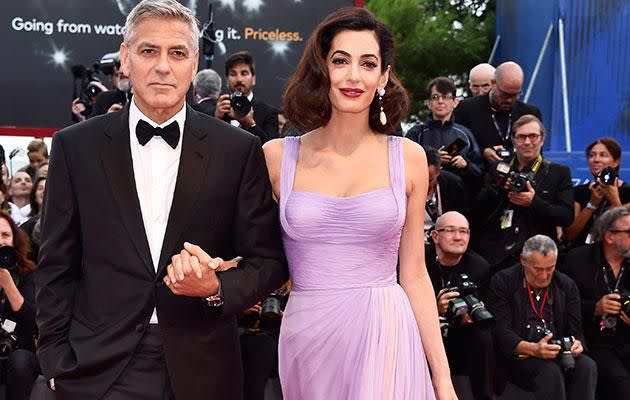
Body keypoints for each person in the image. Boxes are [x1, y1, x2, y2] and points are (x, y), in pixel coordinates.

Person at [35, 1, 288, 399]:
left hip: (202, 368)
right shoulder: (74, 146)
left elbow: (269, 261)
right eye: (148, 51)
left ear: (194, 62)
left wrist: (214, 287)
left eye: (177, 53)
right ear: (125, 57)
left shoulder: (237, 150)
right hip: (96, 370)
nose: (163, 66)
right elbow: (55, 264)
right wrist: (54, 361)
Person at [263, 7, 456, 399]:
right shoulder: (276, 157)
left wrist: (443, 380)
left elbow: (415, 275)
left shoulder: (410, 158)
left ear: (383, 76)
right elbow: (255, 254)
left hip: (386, 329)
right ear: (321, 69)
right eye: (340, 61)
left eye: (368, 63)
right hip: (308, 338)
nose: (354, 76)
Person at [487, 235, 597, 400]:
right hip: (521, 353)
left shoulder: (566, 285)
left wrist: (577, 344)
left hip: (557, 351)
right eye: (538, 269)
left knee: (587, 366)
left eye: (550, 268)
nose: (545, 275)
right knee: (549, 372)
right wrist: (534, 349)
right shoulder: (503, 281)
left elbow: (577, 330)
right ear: (523, 260)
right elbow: (501, 332)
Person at [471, 114, 574, 272]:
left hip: (539, 256)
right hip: (499, 256)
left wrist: (534, 202)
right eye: (521, 137)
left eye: (533, 136)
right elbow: (478, 210)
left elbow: (566, 216)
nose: (527, 142)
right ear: (513, 139)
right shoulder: (499, 168)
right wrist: (498, 189)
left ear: (542, 139)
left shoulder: (558, 172)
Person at [426, 212, 494, 400]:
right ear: (435, 236)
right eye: (451, 231)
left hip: (458, 337)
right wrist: (435, 309)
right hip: (424, 335)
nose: (458, 237)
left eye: (463, 232)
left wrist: (469, 318)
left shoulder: (479, 267)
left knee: (483, 336)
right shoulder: (421, 262)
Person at [564, 207, 630, 398]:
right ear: (610, 236)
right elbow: (563, 306)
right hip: (594, 341)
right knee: (622, 385)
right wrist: (595, 308)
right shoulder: (578, 260)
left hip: (626, 339)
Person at [454, 61, 542, 165]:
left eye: (515, 95)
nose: (509, 100)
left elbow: (538, 154)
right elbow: (456, 147)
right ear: (493, 83)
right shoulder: (467, 109)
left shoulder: (529, 113)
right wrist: (482, 152)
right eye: (504, 94)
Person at [406, 77, 483, 194]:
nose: (440, 101)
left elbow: (479, 172)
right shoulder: (416, 133)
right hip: (422, 197)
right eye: (435, 97)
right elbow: (404, 167)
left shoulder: (465, 134)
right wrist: (433, 160)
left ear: (455, 102)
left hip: (458, 197)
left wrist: (466, 165)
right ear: (428, 103)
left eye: (446, 97)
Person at [0, 211, 39, 400]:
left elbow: (35, 321)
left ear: (15, 241)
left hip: (18, 352)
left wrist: (8, 284)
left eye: (5, 235)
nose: (0, 241)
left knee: (21, 360)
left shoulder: (28, 273)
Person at [565, 137, 629, 246]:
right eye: (592, 155)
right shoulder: (578, 192)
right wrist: (592, 204)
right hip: (583, 253)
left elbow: (627, 229)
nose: (596, 159)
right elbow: (569, 235)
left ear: (615, 162)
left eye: (603, 155)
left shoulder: (627, 192)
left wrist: (615, 200)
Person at [215, 51, 279, 143]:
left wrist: (251, 125)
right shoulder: (218, 110)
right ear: (227, 79)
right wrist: (216, 120)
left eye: (244, 73)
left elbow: (272, 150)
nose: (239, 79)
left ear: (253, 79)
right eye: (233, 74)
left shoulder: (268, 113)